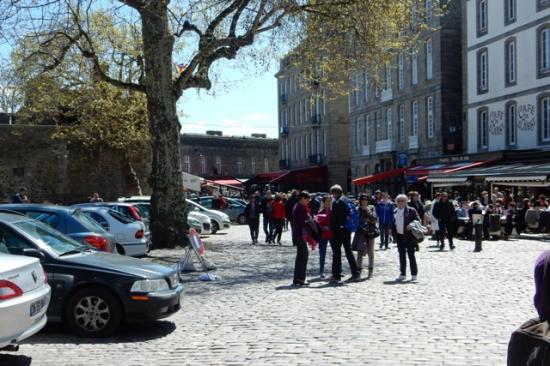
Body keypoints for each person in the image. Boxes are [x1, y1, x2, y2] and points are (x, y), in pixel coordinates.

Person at [329, 184, 361, 283]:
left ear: (335, 193)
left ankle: (336, 275)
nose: (332, 195)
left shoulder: (338, 202)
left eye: (332, 193)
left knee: (337, 253)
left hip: (339, 231)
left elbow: (337, 218)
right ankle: (355, 274)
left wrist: (334, 227)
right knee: (348, 252)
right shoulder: (346, 200)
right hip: (346, 230)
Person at [392, 194, 420, 282]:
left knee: (411, 255)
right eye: (398, 201)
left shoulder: (411, 210)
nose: (400, 202)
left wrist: (411, 225)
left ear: (406, 201)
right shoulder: (395, 211)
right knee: (401, 255)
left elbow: (418, 220)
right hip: (399, 236)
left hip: (409, 236)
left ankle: (414, 274)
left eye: (402, 200)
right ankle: (403, 274)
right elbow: (393, 223)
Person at [352, 194, 377, 278]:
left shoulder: (372, 208)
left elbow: (374, 219)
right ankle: (358, 270)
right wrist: (365, 220)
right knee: (360, 251)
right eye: (362, 199)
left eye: (366, 199)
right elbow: (355, 220)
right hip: (360, 232)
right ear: (360, 200)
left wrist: (367, 211)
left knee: (370, 251)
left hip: (370, 232)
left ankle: (370, 270)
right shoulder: (357, 209)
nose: (364, 201)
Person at [292, 191, 312, 286]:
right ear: (302, 199)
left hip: (298, 234)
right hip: (300, 235)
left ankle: (297, 278)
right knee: (303, 256)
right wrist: (310, 222)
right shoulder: (300, 208)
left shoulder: (298, 206)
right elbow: (302, 222)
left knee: (300, 256)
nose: (308, 202)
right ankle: (301, 279)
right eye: (307, 200)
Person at [315, 195, 333, 278]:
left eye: (330, 201)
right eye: (327, 201)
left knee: (335, 253)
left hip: (332, 234)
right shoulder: (320, 212)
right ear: (323, 202)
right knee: (322, 254)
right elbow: (317, 224)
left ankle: (336, 271)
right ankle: (321, 272)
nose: (328, 203)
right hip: (323, 235)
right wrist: (323, 227)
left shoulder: (333, 211)